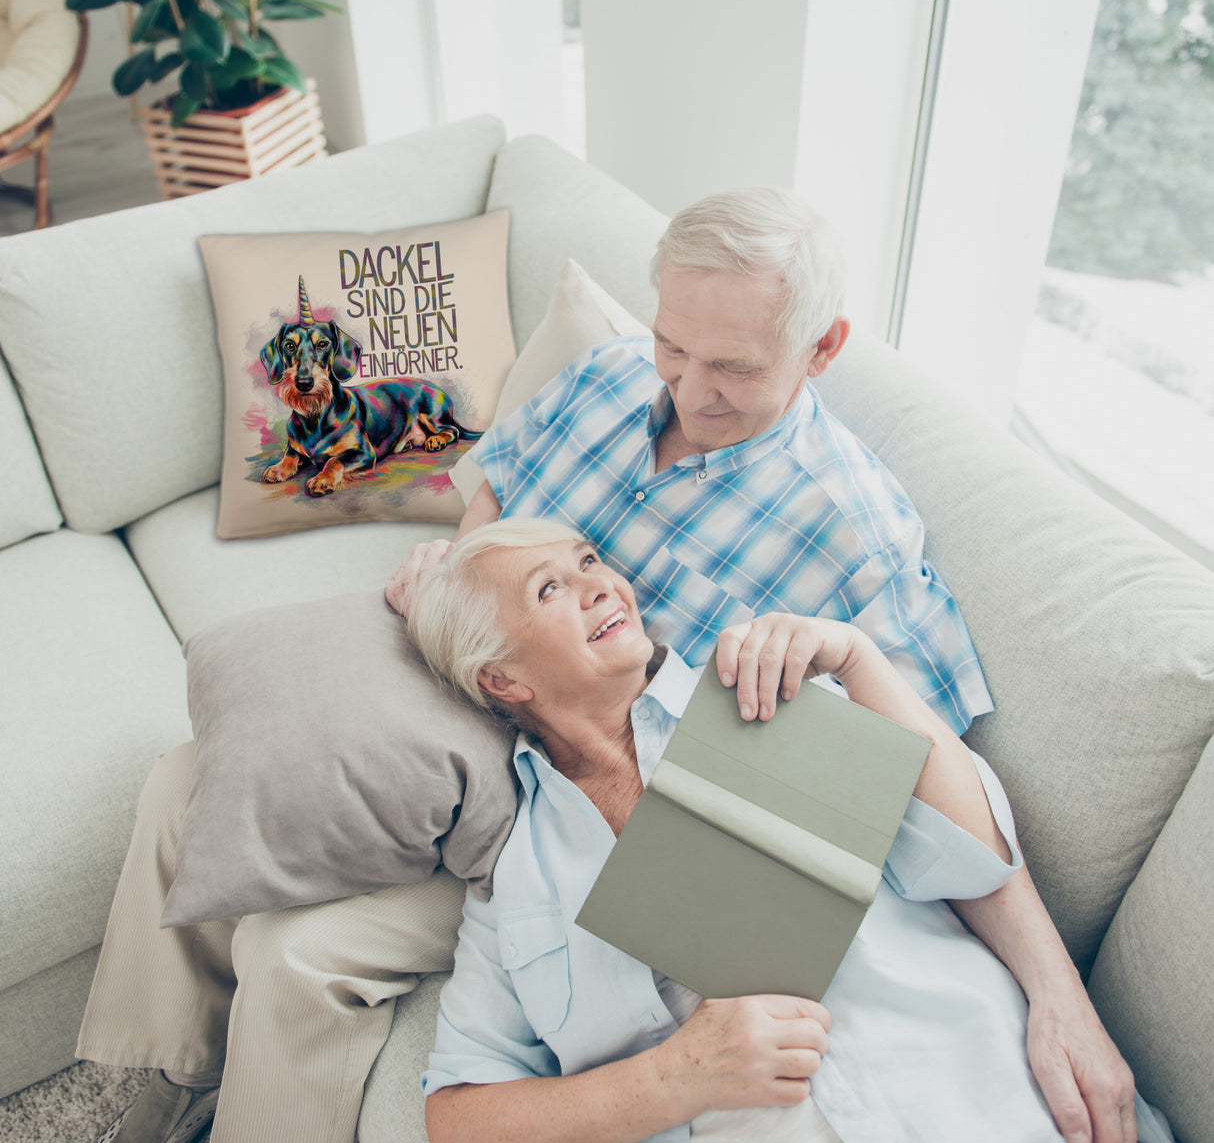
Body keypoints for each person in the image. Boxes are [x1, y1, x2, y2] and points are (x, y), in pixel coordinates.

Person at [389, 188, 1136, 1142]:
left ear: (822, 349)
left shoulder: (832, 587)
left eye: (732, 367)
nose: (689, 391)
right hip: (492, 761)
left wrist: (1058, 998)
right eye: (674, 347)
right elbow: (497, 487)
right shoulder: (607, 380)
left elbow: (944, 814)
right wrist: (461, 584)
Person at [407, 517, 1161, 1143]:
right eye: (551, 588)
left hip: (985, 1097)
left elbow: (973, 858)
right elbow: (458, 1117)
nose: (601, 584)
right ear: (502, 679)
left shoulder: (762, 691)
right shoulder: (516, 880)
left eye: (589, 561)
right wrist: (674, 1078)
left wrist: (859, 660)